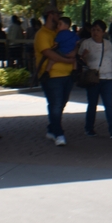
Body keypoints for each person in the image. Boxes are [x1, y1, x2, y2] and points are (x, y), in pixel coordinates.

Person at [34, 8, 77, 147]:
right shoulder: (42, 34)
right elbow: (48, 53)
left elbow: (74, 44)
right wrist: (68, 60)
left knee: (61, 104)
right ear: (50, 15)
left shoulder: (59, 32)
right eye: (57, 14)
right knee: (56, 105)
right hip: (52, 76)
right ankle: (59, 134)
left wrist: (74, 53)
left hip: (67, 74)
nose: (59, 17)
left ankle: (52, 129)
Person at [77, 20, 112, 140]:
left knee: (109, 104)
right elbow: (79, 59)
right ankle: (89, 128)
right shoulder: (86, 43)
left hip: (108, 77)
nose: (95, 32)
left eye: (98, 30)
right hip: (94, 77)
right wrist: (83, 56)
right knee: (92, 104)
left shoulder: (108, 44)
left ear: (103, 32)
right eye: (93, 30)